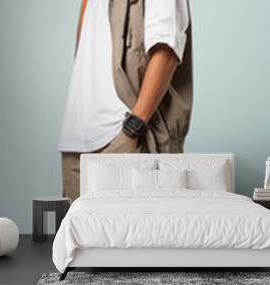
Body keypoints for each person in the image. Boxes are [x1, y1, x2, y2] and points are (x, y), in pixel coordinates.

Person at [58, 0, 193, 201]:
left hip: (124, 139)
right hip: (76, 144)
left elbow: (166, 50)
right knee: (79, 231)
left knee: (136, 229)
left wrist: (132, 129)